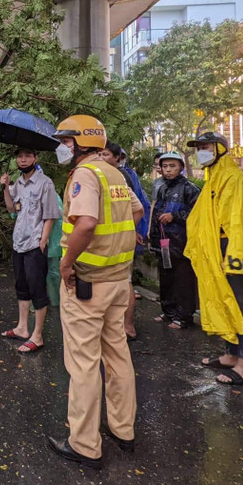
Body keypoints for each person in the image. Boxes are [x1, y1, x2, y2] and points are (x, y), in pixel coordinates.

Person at [47, 115, 144, 470]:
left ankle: (85, 444)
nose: (61, 146)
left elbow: (86, 222)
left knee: (84, 364)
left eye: (65, 140)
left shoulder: (86, 175)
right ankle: (123, 430)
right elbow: (137, 210)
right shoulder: (114, 173)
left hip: (87, 285)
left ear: (80, 143)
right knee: (117, 355)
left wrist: (68, 263)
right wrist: (115, 244)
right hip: (118, 281)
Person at [185, 132, 243, 387]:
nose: (201, 152)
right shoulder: (215, 176)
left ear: (220, 149)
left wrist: (235, 255)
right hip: (218, 247)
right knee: (223, 300)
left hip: (230, 249)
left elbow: (241, 220)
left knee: (237, 304)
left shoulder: (232, 178)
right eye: (199, 148)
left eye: (206, 147)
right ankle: (230, 354)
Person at [0, 148, 61, 354]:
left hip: (35, 244)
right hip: (19, 242)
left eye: (27, 156)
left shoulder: (45, 183)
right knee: (22, 285)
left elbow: (51, 215)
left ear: (36, 158)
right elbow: (10, 209)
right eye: (19, 156)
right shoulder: (19, 183)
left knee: (37, 289)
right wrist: (6, 188)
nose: (23, 160)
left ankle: (38, 335)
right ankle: (22, 328)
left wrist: (43, 241)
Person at [100, 142, 149, 341]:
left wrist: (128, 230)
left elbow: (138, 208)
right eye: (99, 154)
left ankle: (128, 326)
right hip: (112, 241)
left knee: (124, 282)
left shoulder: (122, 177)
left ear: (117, 158)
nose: (101, 158)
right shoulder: (104, 176)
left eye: (105, 154)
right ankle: (114, 325)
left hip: (120, 242)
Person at [149, 151, 200, 329]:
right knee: (166, 279)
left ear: (181, 168)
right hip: (164, 243)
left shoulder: (190, 189)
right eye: (165, 166)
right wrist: (153, 238)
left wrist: (176, 216)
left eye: (172, 166)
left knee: (183, 281)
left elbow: (199, 214)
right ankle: (169, 312)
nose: (168, 170)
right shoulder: (162, 188)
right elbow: (156, 213)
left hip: (182, 243)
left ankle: (184, 316)